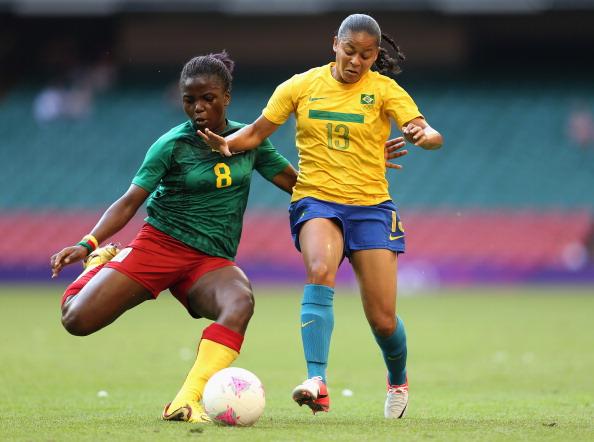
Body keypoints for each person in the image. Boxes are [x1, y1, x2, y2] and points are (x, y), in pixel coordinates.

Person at [198, 13, 444, 419]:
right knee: (319, 267)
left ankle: (397, 379)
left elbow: (424, 130)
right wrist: (226, 144)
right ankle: (317, 380)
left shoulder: (384, 90)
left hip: (372, 208)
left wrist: (427, 137)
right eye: (350, 51)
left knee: (383, 321)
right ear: (335, 44)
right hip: (317, 200)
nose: (356, 61)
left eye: (366, 55)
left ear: (375, 55)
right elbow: (257, 133)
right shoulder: (300, 86)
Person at [50, 51, 298, 423]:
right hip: (161, 246)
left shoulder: (250, 140)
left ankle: (185, 400)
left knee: (240, 302)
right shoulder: (171, 144)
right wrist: (89, 243)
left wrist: (353, 189)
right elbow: (130, 201)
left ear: (226, 97)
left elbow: (298, 186)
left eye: (207, 98)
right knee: (76, 321)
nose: (198, 108)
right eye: (189, 100)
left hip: (210, 261)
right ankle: (99, 264)